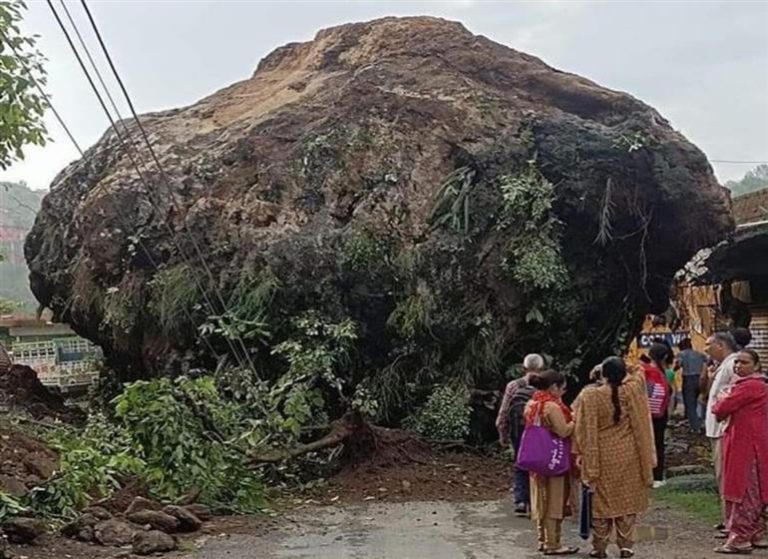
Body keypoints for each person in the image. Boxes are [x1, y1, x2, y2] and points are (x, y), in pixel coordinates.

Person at [573, 357, 655, 559]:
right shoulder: (632, 390)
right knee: (626, 502)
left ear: (603, 375)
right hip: (629, 454)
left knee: (600, 503)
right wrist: (621, 366)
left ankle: (599, 547)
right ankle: (626, 546)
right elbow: (640, 370)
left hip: (600, 455)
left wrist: (581, 453)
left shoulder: (589, 395)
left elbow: (581, 428)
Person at [712, 349, 768, 554]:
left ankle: (740, 538)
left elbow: (720, 407)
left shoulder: (750, 386)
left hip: (746, 444)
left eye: (744, 363)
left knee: (743, 489)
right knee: (755, 488)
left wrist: (722, 397)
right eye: (737, 362)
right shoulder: (754, 385)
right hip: (751, 441)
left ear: (756, 366)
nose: (738, 366)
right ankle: (756, 533)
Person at [524, 369, 579, 556]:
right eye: (563, 388)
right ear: (554, 387)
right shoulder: (552, 406)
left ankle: (541, 539)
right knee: (555, 502)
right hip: (554, 459)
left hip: (537, 459)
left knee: (540, 500)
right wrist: (575, 420)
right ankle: (553, 543)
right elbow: (563, 431)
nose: (564, 392)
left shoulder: (532, 403)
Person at [496, 353, 545, 516]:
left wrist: (503, 434)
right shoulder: (546, 386)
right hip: (539, 431)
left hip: (518, 431)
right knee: (539, 464)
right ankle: (537, 500)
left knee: (520, 461)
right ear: (542, 368)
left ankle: (521, 500)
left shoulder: (513, 386)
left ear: (523, 368)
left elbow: (503, 413)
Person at [706, 332, 740, 531]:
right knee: (721, 475)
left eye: (709, 344)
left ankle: (731, 521)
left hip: (723, 429)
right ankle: (726, 517)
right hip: (716, 428)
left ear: (721, 345)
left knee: (725, 475)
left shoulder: (733, 364)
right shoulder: (722, 366)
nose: (706, 349)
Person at [641, 343, 672, 487]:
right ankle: (656, 476)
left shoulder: (643, 371)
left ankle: (647, 475)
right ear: (665, 357)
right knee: (658, 445)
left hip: (645, 414)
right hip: (658, 415)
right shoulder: (660, 373)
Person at [676, 338, 708, 432]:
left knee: (690, 403)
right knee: (701, 400)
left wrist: (674, 368)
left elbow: (679, 364)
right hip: (701, 378)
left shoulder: (681, 354)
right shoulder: (700, 354)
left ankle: (695, 427)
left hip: (688, 378)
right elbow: (706, 363)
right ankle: (702, 421)